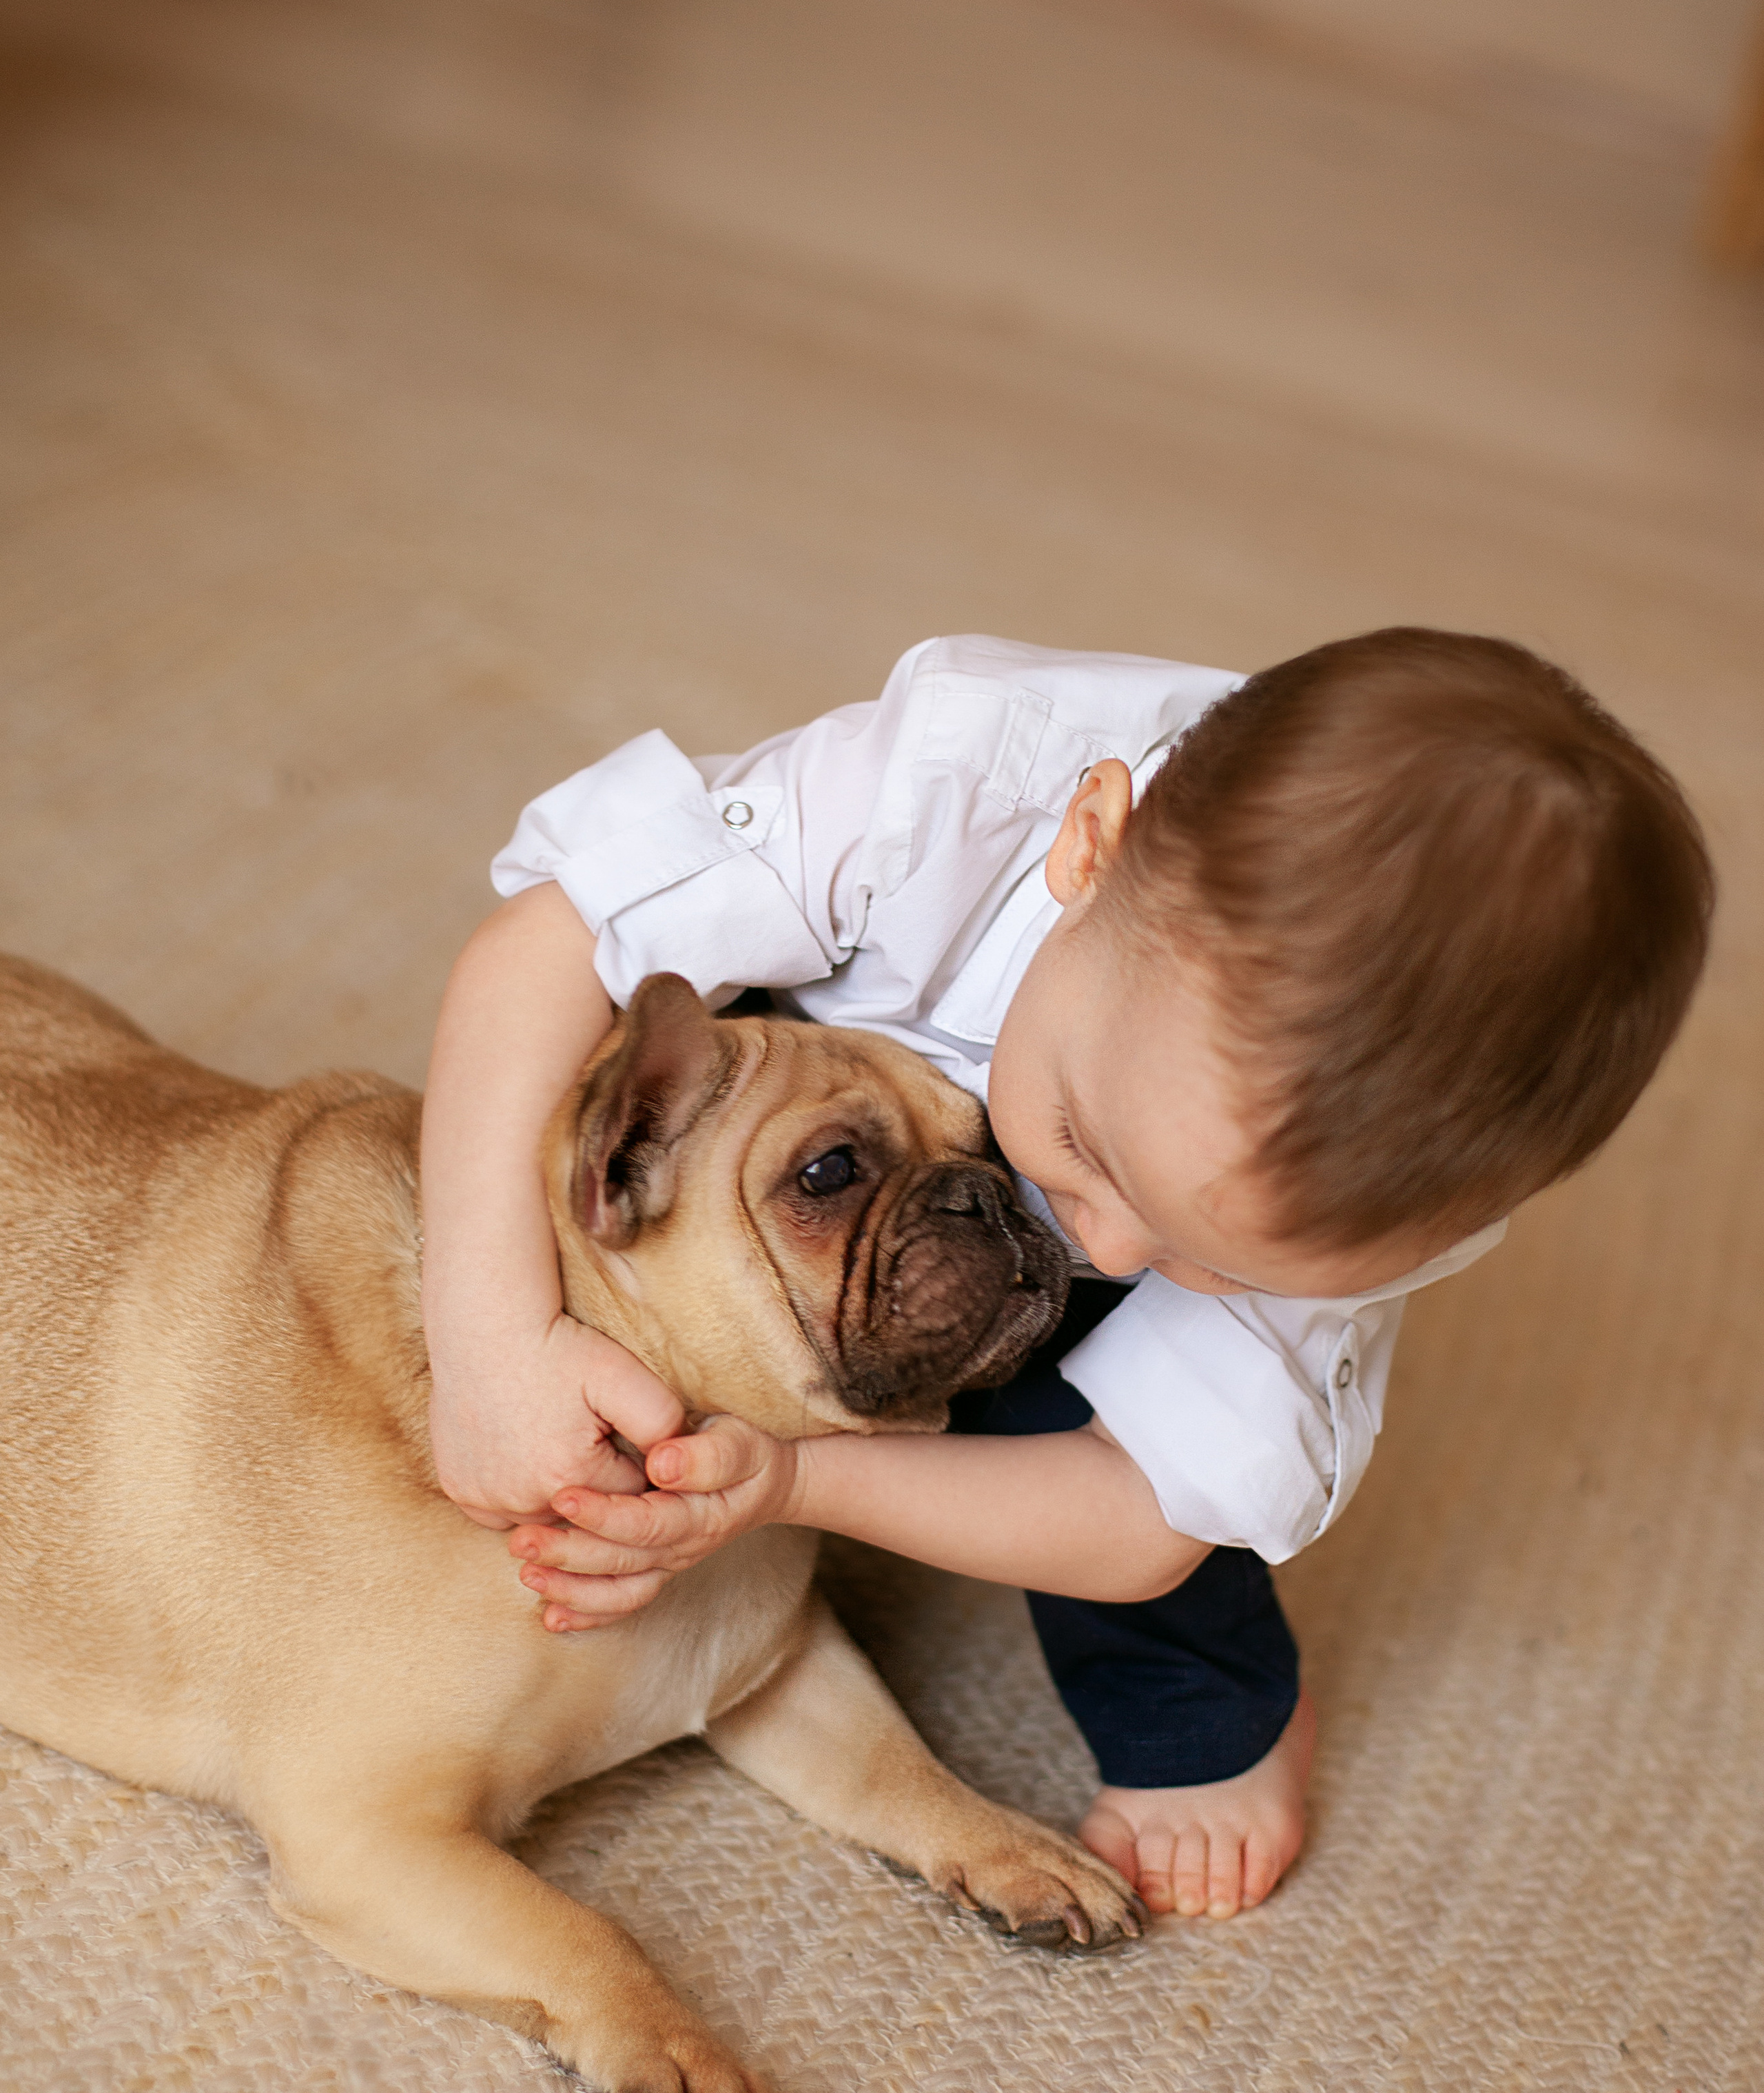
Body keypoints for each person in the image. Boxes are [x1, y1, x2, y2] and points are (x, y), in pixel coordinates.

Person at [420, 630, 1712, 1921]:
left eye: (1210, 1257)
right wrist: (490, 1332)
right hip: (813, 1039)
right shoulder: (940, 799)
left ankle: (1207, 1714)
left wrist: (797, 1480)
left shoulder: (1349, 1212)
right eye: (1089, 1153)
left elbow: (1139, 1517)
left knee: (1161, 1470)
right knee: (568, 1088)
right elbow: (550, 939)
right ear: (1087, 848)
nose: (1112, 1247)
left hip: (996, 1234)